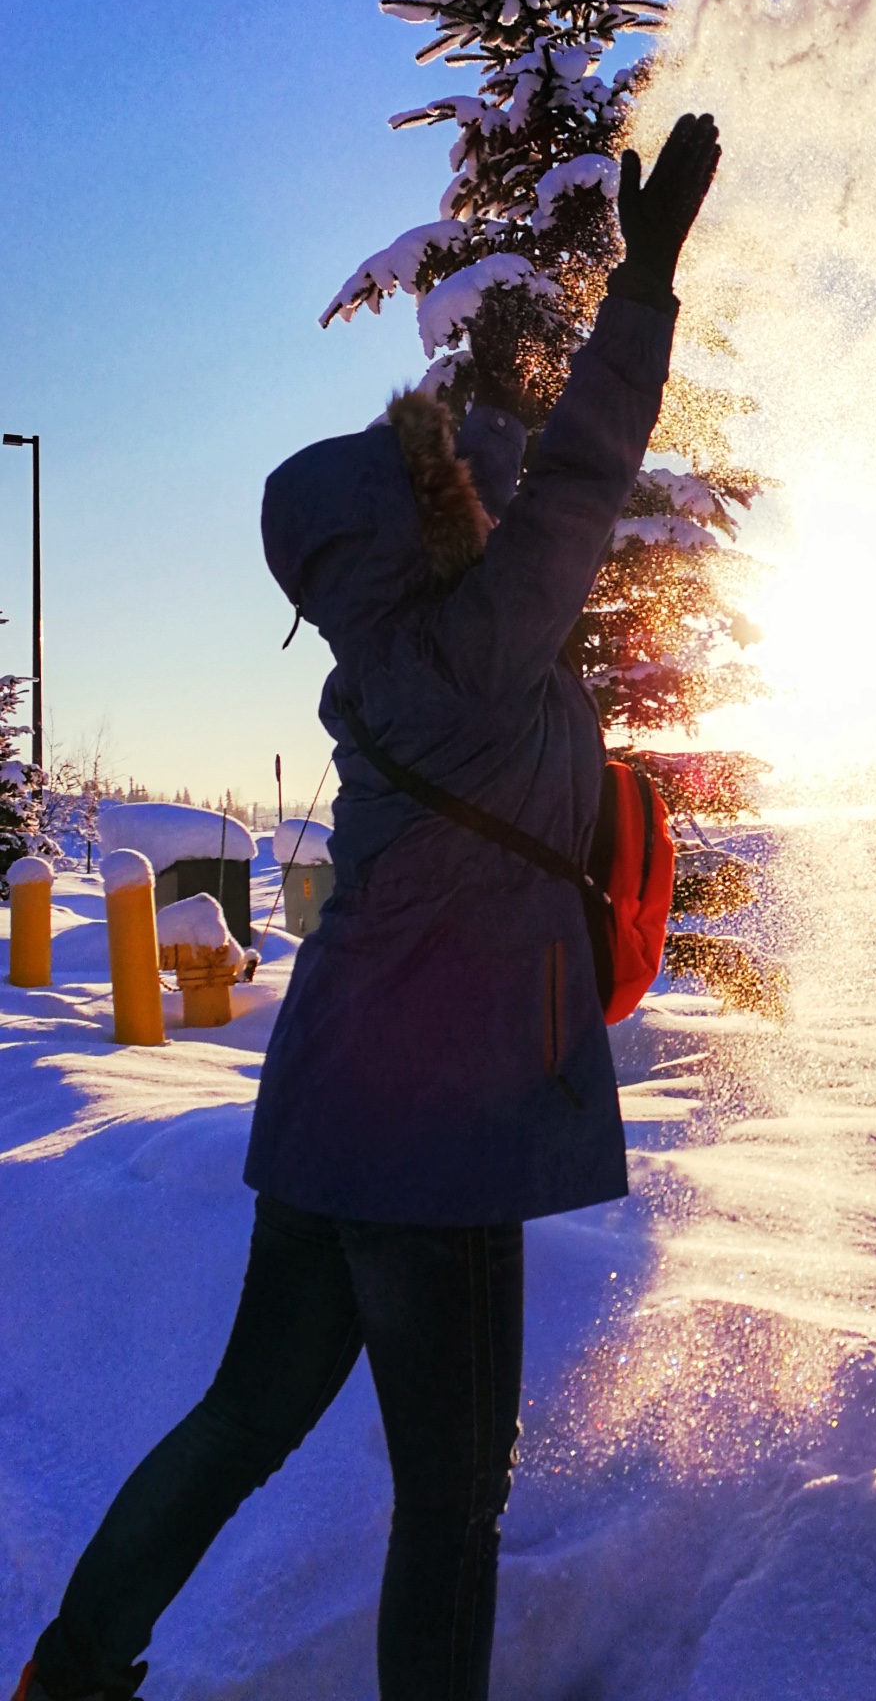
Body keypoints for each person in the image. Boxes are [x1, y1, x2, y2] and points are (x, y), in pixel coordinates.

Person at [13, 112, 721, 1701]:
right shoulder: (476, 650)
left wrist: (512, 361)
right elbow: (592, 472)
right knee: (453, 1509)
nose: (487, 514)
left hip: (333, 1114)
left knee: (246, 1420)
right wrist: (646, 285)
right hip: (436, 1133)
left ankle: (67, 1672)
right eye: (456, 505)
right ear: (427, 541)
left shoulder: (394, 662)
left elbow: (513, 470)